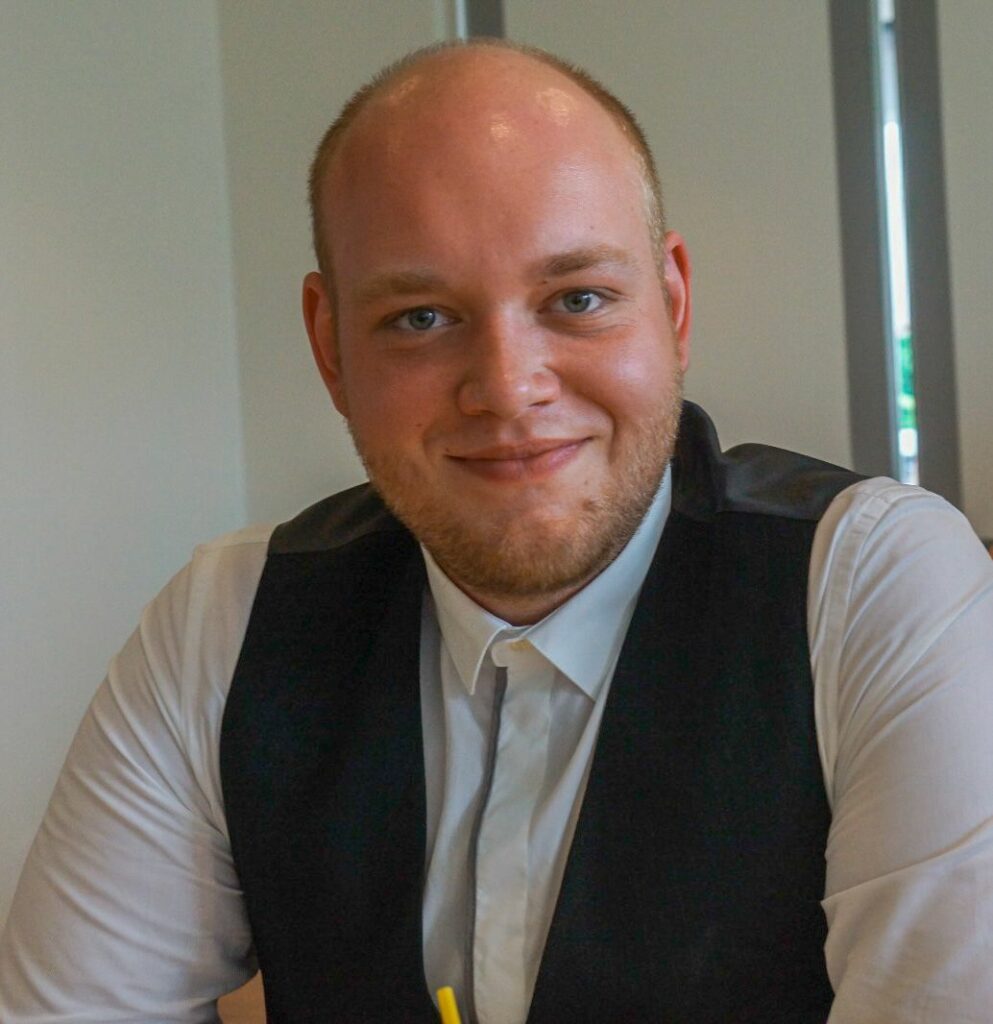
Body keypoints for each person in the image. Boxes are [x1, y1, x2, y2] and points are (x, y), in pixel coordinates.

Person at [2, 38, 992, 1024]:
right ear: (329, 344)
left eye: (578, 299)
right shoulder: (224, 625)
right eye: (422, 318)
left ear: (674, 305)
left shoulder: (871, 585)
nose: (510, 389)